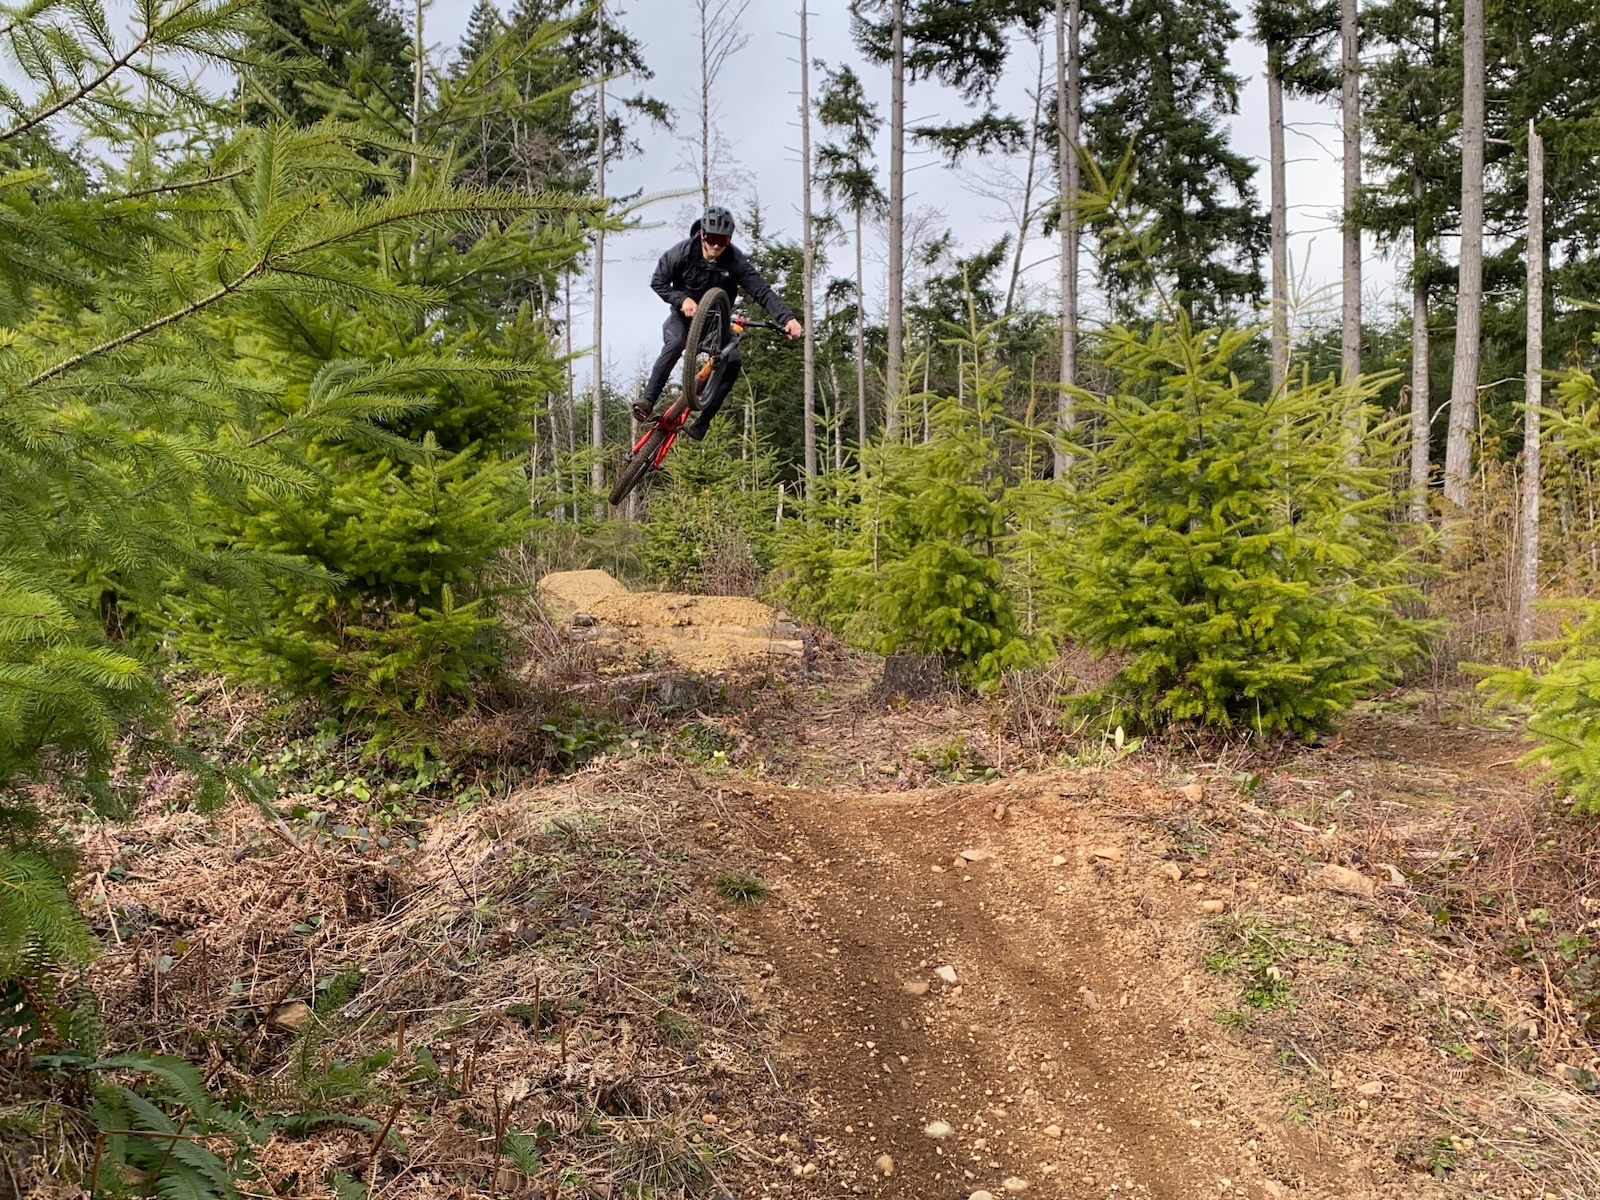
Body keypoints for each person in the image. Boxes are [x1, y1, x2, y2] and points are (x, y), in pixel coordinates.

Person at [633, 205, 803, 440]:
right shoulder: (681, 253)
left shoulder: (734, 260)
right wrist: (682, 299)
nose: (715, 246)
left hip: (716, 323)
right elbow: (658, 282)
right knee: (676, 343)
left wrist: (788, 318)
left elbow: (761, 290)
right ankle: (648, 400)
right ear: (703, 235)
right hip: (682, 318)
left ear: (729, 239)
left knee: (732, 361)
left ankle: (702, 423)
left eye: (721, 240)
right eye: (712, 238)